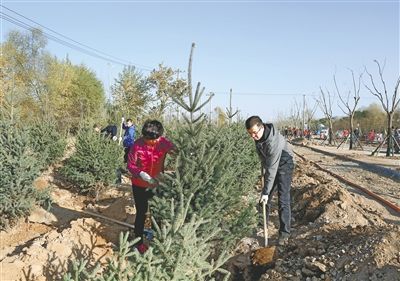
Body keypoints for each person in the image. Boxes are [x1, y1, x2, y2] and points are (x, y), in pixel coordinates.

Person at [127, 120, 175, 253]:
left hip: (157, 184)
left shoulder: (164, 143)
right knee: (141, 212)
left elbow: (177, 152)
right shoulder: (138, 145)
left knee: (157, 213)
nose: (153, 142)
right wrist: (140, 173)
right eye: (149, 140)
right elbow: (130, 165)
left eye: (156, 139)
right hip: (139, 184)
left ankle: (158, 238)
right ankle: (139, 241)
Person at [245, 116, 294, 246]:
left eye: (255, 133)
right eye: (250, 134)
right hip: (271, 164)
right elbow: (263, 157)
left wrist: (266, 191)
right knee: (263, 198)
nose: (253, 136)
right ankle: (262, 225)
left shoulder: (273, 142)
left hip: (285, 162)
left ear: (262, 127)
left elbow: (272, 171)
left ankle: (284, 233)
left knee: (283, 199)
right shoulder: (259, 137)